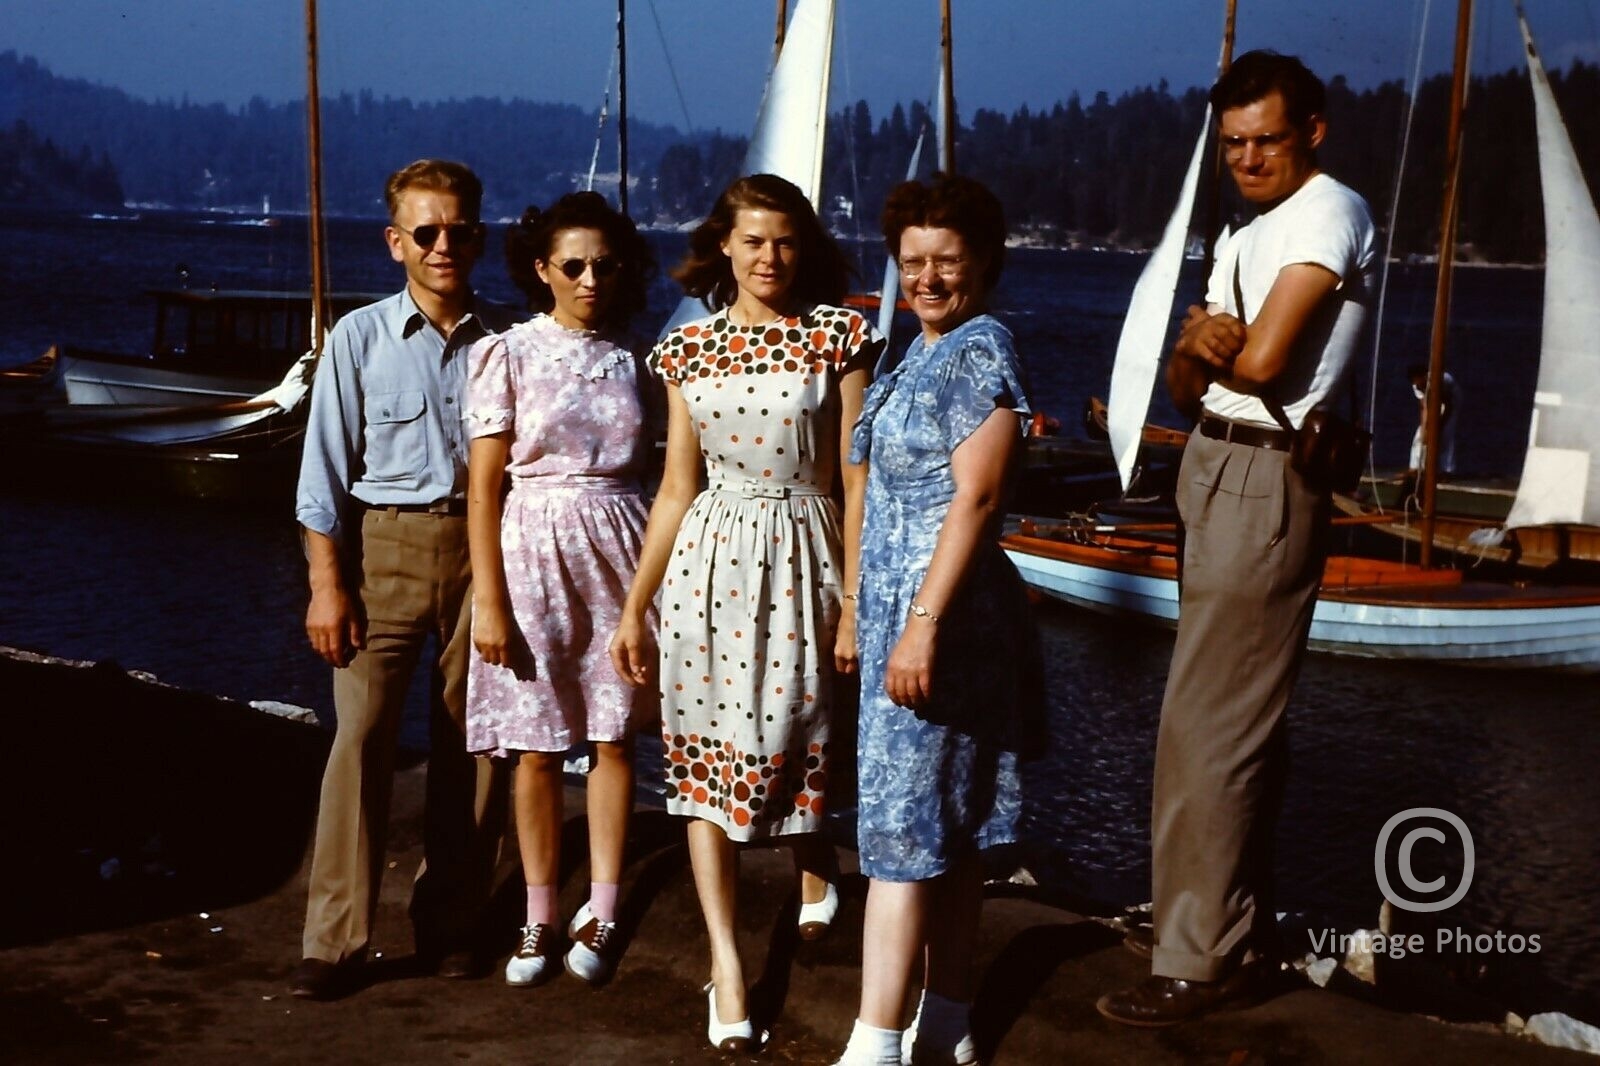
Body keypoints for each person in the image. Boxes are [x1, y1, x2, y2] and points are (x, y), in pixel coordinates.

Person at [1097, 52, 1377, 1026]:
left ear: (1311, 131)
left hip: (1265, 474)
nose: (1248, 158)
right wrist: (1194, 344)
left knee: (1210, 727)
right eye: (1233, 144)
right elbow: (1188, 382)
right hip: (1215, 464)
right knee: (1220, 718)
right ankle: (1224, 926)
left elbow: (1256, 357)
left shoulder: (1329, 212)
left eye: (1265, 138)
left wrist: (1214, 339)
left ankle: (1197, 959)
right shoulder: (1245, 229)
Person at [609, 173, 882, 1053]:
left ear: (805, 249)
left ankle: (812, 866)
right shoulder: (688, 351)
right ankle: (726, 961)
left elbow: (854, 477)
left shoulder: (836, 336)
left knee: (794, 734)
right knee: (701, 770)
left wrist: (854, 603)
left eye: (786, 241)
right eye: (753, 240)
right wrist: (635, 603)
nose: (769, 257)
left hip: (804, 551)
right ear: (723, 244)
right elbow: (676, 486)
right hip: (707, 562)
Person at [291, 158, 518, 999]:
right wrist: (327, 584)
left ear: (481, 237)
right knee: (359, 742)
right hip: (381, 552)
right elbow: (320, 480)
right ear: (396, 243)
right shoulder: (357, 339)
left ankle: (453, 923)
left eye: (459, 229)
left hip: (485, 555)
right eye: (426, 232)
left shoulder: (508, 341)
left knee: (476, 744)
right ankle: (335, 940)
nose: (443, 245)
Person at [831, 175, 1043, 1066]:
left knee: (895, 835)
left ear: (984, 264)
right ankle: (947, 1023)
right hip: (902, 615)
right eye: (912, 260)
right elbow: (872, 492)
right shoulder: (915, 351)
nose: (925, 277)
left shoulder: (979, 353)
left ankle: (874, 1042)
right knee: (946, 829)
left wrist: (920, 625)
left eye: (945, 262)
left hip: (944, 621)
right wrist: (855, 610)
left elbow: (979, 498)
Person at [463, 192, 660, 988]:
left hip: (622, 543)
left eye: (604, 264)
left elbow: (666, 472)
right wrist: (489, 599)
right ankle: (540, 915)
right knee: (537, 747)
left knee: (614, 736)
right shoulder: (507, 353)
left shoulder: (639, 358)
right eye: (572, 265)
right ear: (541, 269)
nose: (589, 279)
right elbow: (482, 488)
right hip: (532, 548)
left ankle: (604, 905)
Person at [1407, 363, 1457, 475]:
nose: (1417, 385)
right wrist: (1425, 427)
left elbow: (1448, 406)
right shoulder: (1417, 386)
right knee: (1420, 434)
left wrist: (1439, 426)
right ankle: (1415, 467)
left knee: (1446, 434)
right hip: (1433, 403)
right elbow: (1424, 407)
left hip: (1451, 400)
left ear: (1423, 377)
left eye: (1418, 381)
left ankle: (1447, 471)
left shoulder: (1441, 381)